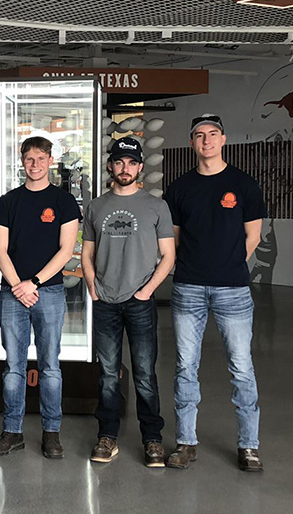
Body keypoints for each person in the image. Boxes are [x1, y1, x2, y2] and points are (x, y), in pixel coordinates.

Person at [165, 113, 266, 473]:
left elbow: (252, 235)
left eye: (212, 134)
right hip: (188, 287)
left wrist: (229, 264)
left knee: (241, 368)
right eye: (199, 135)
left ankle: (249, 446)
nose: (206, 140)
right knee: (185, 367)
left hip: (234, 289)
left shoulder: (244, 185)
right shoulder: (179, 188)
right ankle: (186, 442)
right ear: (192, 143)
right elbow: (173, 238)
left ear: (223, 140)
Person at [82, 137, 176, 467]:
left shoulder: (156, 206)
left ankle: (152, 439)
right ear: (111, 166)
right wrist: (93, 287)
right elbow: (87, 252)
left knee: (145, 374)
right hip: (106, 301)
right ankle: (107, 436)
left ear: (140, 168)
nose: (125, 168)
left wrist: (147, 291)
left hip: (140, 302)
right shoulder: (95, 206)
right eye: (119, 162)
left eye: (131, 163)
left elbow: (168, 255)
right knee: (108, 373)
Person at [0, 136, 80, 458]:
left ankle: (51, 433)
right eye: (29, 159)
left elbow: (66, 250)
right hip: (12, 294)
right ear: (22, 161)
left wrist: (34, 283)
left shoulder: (64, 202)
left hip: (50, 292)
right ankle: (12, 431)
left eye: (41, 159)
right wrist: (18, 286)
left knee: (50, 366)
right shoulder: (7, 202)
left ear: (50, 161)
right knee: (13, 367)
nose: (35, 165)